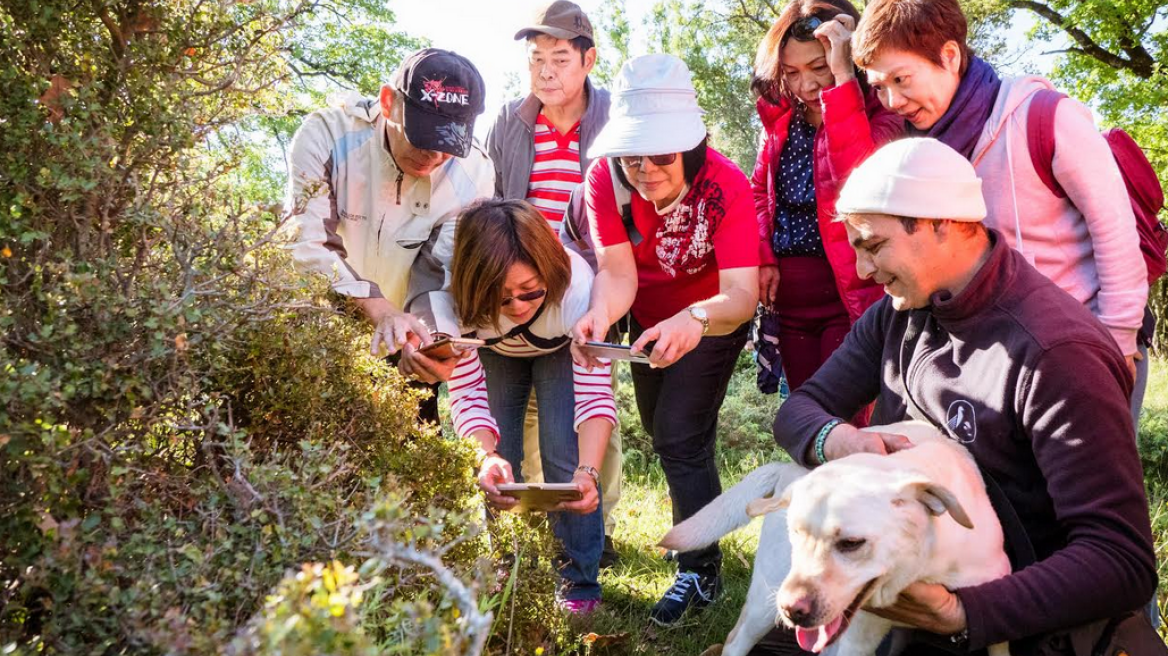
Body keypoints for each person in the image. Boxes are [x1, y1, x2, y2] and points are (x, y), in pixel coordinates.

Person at [772, 138, 1157, 653]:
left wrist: (961, 613)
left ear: (942, 224)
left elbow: (1121, 561)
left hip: (1023, 623)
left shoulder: (1056, 353)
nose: (863, 270)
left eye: (872, 244)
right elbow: (799, 409)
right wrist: (837, 441)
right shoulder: (899, 312)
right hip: (900, 581)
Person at [850, 0, 1149, 424]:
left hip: (1083, 348)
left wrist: (1117, 342)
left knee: (1084, 487)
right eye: (879, 87)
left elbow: (1114, 231)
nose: (892, 100)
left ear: (949, 56)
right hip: (994, 358)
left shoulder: (1045, 117)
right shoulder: (915, 153)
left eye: (901, 79)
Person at [572, 54, 760, 626]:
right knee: (667, 432)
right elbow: (619, 274)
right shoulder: (603, 179)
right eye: (634, 157)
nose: (647, 170)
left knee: (678, 434)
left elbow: (742, 295)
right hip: (646, 320)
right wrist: (599, 316)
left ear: (691, 146)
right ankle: (709, 540)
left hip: (714, 316)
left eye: (661, 156)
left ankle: (698, 570)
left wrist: (694, 318)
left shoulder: (727, 183)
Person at [284, 48, 494, 422]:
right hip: (319, 326)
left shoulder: (475, 173)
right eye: (422, 139)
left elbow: (441, 270)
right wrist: (379, 311)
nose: (433, 157)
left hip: (404, 341)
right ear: (387, 102)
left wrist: (432, 342)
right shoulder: (327, 134)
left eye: (448, 145)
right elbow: (308, 242)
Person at [485, 0, 623, 569]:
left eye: (560, 59)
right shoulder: (508, 124)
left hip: (591, 290)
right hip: (517, 293)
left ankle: (595, 524)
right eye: (536, 59)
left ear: (588, 60)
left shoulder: (615, 120)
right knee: (530, 420)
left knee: (590, 413)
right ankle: (540, 530)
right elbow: (489, 206)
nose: (545, 72)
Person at [448, 199, 616, 614]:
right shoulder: (451, 305)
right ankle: (508, 570)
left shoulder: (578, 291)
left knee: (566, 455)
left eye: (530, 292)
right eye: (500, 299)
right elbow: (467, 393)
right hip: (495, 353)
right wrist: (484, 455)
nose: (519, 307)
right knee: (498, 468)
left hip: (562, 346)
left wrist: (589, 472)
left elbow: (595, 395)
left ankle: (578, 582)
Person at [750, 0, 902, 392]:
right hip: (789, 304)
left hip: (848, 295)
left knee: (845, 411)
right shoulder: (780, 123)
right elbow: (759, 194)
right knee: (805, 409)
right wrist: (764, 256)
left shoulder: (881, 111)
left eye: (820, 67)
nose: (807, 85)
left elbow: (860, 183)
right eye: (792, 73)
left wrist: (843, 83)